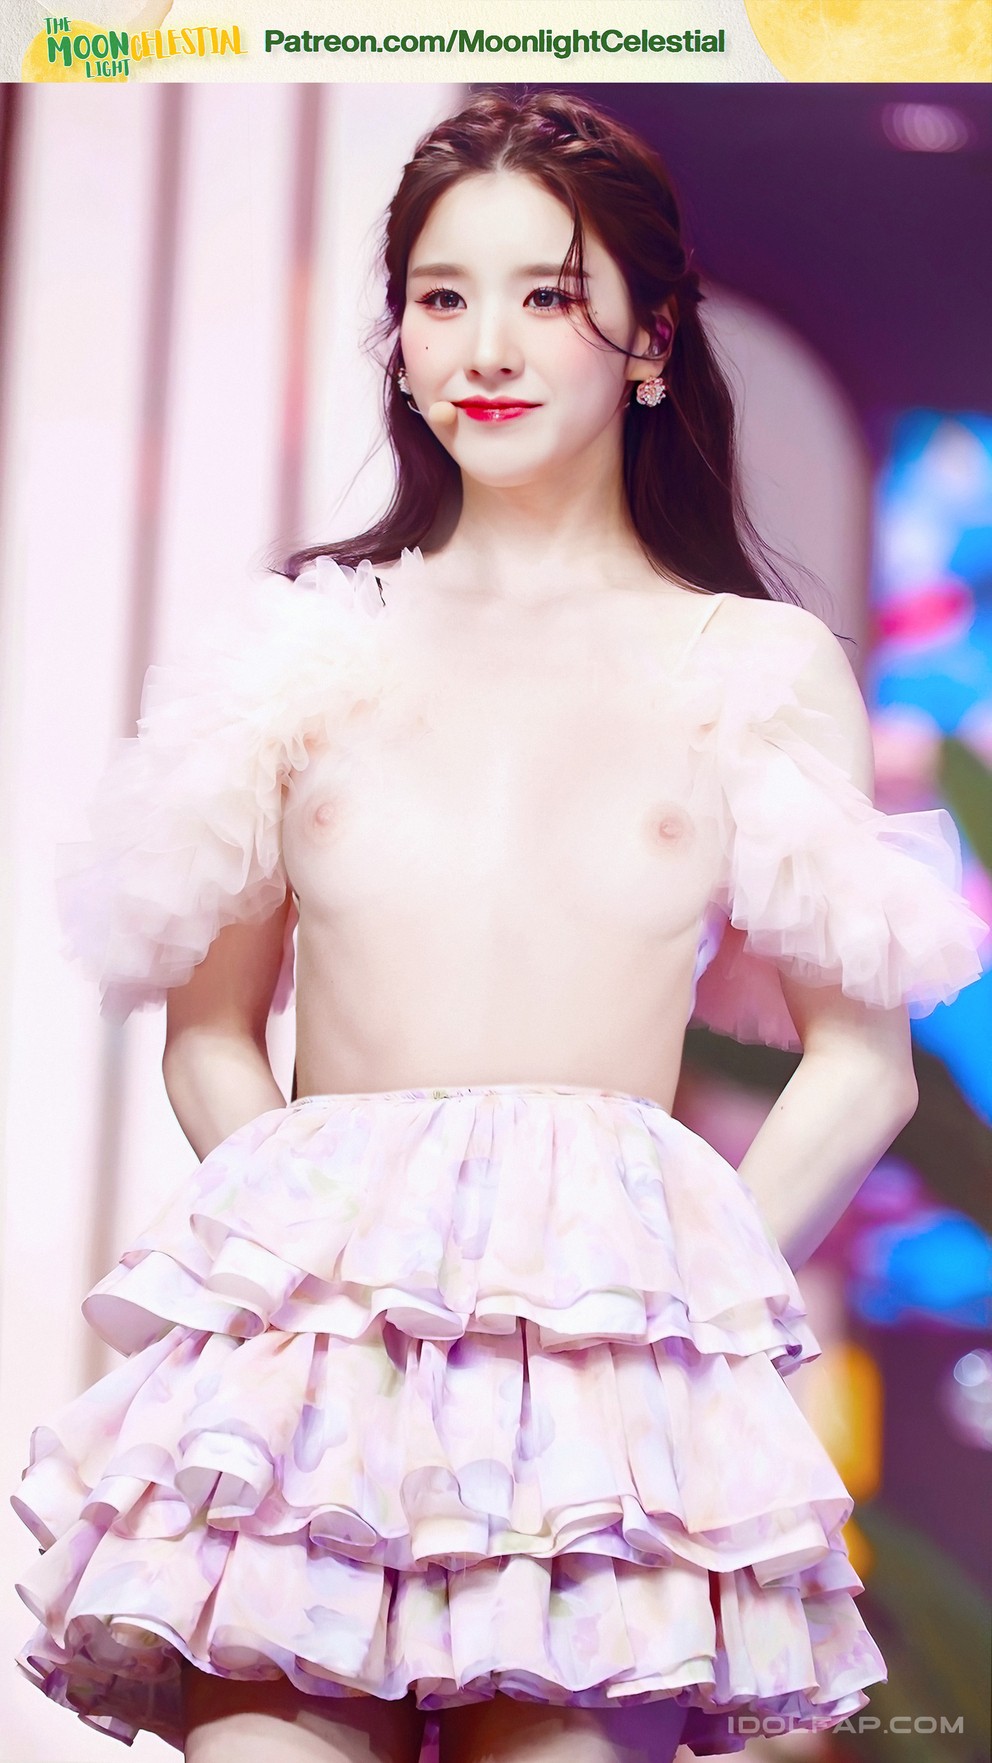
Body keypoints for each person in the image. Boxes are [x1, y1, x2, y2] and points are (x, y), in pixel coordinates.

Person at [10, 90, 988, 1763]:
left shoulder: (748, 669)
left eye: (549, 294)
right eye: (442, 296)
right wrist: (318, 1294)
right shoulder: (302, 647)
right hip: (313, 1397)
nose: (488, 346)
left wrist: (669, 1321)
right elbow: (212, 1033)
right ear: (397, 339)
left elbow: (862, 1063)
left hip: (592, 1406)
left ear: (651, 338)